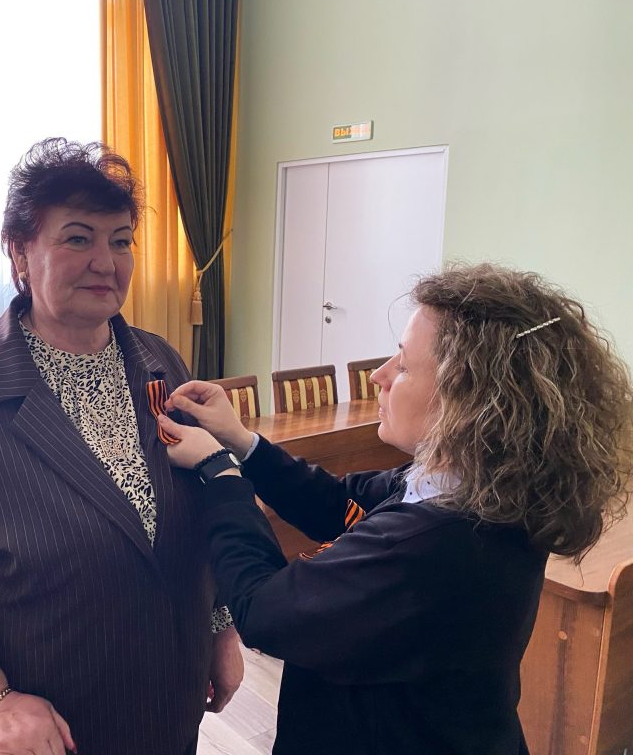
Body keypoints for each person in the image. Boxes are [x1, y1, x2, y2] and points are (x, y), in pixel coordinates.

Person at [0, 138, 242, 755]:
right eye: (77, 238)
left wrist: (219, 627)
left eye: (121, 241)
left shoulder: (160, 364)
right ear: (19, 251)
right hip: (46, 727)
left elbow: (199, 510)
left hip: (169, 700)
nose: (105, 262)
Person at [158, 263, 633, 755]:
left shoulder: (434, 545)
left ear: (466, 401)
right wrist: (242, 442)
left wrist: (221, 476)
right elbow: (340, 504)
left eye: (404, 366)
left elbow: (264, 611)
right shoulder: (477, 485)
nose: (379, 375)